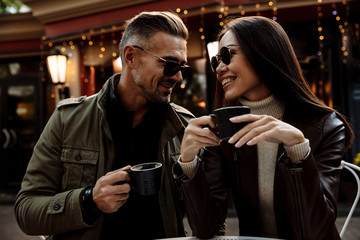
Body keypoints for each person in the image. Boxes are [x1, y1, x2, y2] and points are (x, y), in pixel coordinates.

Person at [15, 11, 194, 240]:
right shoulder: (67, 119)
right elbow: (26, 210)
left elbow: (209, 222)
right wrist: (89, 200)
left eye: (183, 68)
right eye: (170, 65)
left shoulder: (186, 128)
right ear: (130, 57)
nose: (178, 77)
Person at [173, 16, 354, 240]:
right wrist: (189, 162)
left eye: (227, 55)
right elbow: (206, 229)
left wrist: (298, 150)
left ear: (263, 53)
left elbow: (316, 232)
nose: (219, 68)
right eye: (215, 61)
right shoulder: (223, 128)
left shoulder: (326, 126)